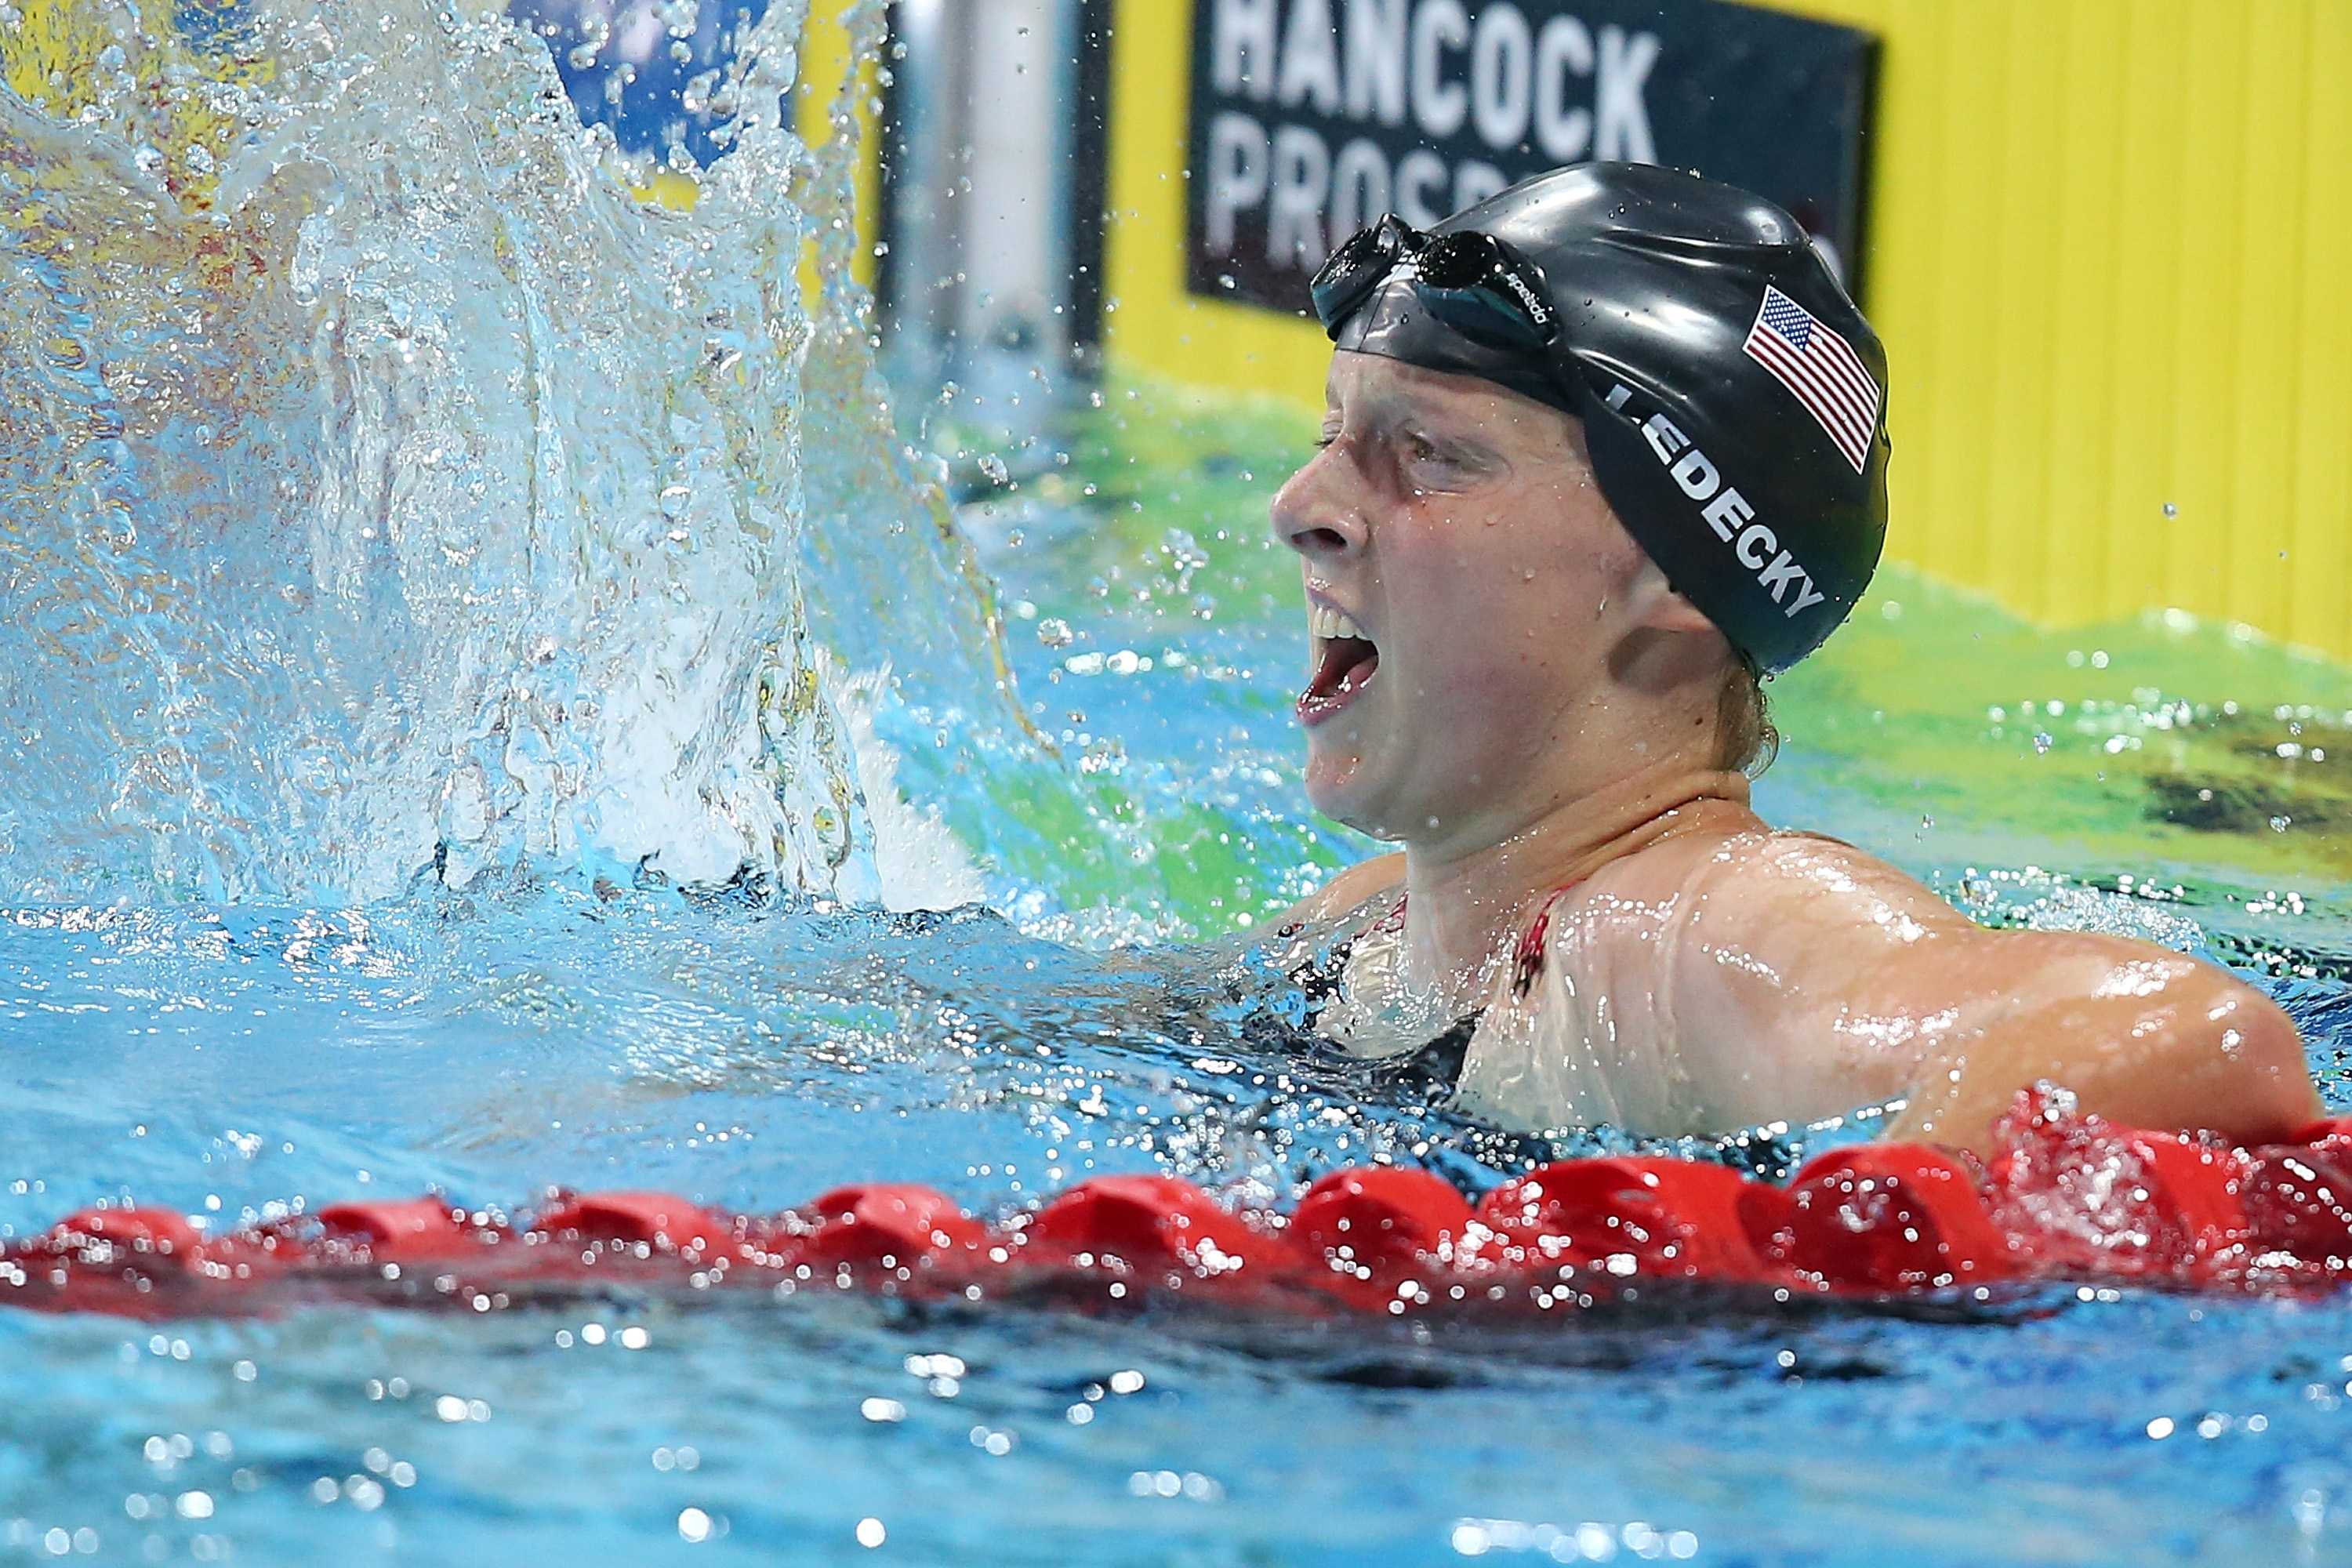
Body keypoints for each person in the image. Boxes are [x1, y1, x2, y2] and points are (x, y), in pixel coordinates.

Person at [1265, 162, 2319, 1154]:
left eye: (1430, 455)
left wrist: (1853, 1247)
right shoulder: (1368, 925)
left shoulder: (1688, 929)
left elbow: (2199, 1037)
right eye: (1331, 437)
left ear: (1675, 573)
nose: (1302, 509)